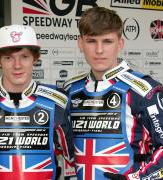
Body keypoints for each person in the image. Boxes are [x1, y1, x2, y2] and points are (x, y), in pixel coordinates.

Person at [63, 6, 163, 180]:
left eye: (107, 41)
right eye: (91, 41)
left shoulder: (144, 90)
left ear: (120, 43)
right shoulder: (71, 89)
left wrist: (137, 178)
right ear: (80, 43)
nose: (99, 50)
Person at [0, 24, 74, 180]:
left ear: (35, 58)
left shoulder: (57, 101)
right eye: (8, 57)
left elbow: (72, 159)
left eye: (24, 56)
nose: (17, 65)